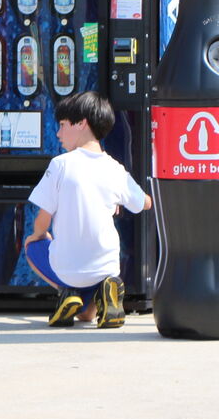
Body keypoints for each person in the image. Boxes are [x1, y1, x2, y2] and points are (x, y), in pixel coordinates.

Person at [24, 91, 151, 328]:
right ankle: (103, 294)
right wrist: (116, 199)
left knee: (33, 247)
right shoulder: (114, 168)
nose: (58, 133)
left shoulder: (60, 164)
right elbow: (145, 203)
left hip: (68, 269)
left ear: (82, 123)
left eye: (63, 125)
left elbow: (43, 218)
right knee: (87, 317)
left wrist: (38, 236)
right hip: (107, 268)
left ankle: (67, 291)